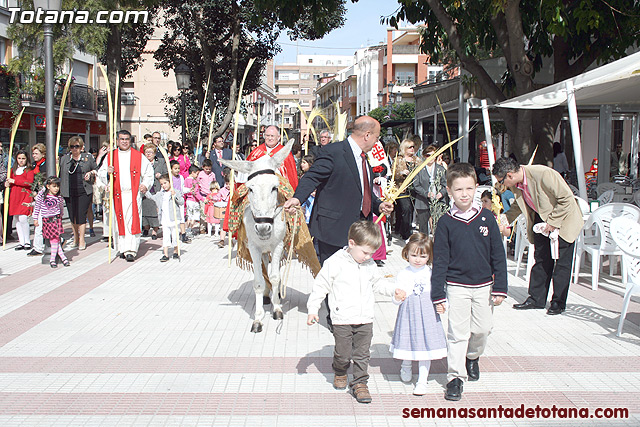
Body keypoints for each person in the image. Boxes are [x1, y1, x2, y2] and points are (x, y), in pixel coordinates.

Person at [431, 162, 508, 401]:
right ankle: (455, 377)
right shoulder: (445, 222)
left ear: (476, 187)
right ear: (449, 190)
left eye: (469, 188)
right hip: (456, 286)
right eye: (458, 189)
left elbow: (498, 255)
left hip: (484, 286)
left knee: (483, 330)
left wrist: (501, 287)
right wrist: (438, 294)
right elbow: (440, 260)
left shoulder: (487, 218)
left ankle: (472, 357)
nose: (464, 194)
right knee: (457, 333)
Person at [306, 220, 402, 404]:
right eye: (365, 252)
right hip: (342, 318)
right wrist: (313, 309)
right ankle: (340, 370)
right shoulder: (335, 262)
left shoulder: (369, 264)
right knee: (343, 354)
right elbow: (320, 286)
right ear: (352, 243)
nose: (368, 257)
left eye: (371, 254)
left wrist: (393, 290)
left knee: (362, 353)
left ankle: (360, 383)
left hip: (365, 317)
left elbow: (378, 283)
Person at [284, 116, 394, 265]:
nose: (377, 142)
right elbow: (312, 177)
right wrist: (297, 199)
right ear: (367, 135)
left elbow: (362, 190)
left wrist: (378, 205)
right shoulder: (333, 152)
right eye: (377, 137)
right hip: (334, 230)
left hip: (359, 231)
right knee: (333, 280)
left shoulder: (364, 158)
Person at [492, 157, 583, 315]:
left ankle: (558, 303)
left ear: (510, 175)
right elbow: (518, 205)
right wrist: (504, 220)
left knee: (562, 263)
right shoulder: (516, 185)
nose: (502, 185)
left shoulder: (543, 174)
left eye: (501, 181)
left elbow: (566, 200)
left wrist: (553, 222)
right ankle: (536, 299)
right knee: (541, 259)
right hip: (541, 220)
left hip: (564, 220)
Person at [391, 233, 446, 395]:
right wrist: (396, 298)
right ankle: (406, 365)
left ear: (429, 256)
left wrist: (443, 304)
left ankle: (423, 379)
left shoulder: (432, 273)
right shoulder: (403, 273)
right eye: (413, 255)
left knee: (426, 344)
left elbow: (440, 292)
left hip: (428, 312)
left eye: (422, 256)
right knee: (407, 339)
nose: (417, 259)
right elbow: (397, 295)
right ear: (406, 253)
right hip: (408, 312)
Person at [98, 130, 154, 262]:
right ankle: (122, 248)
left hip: (133, 195)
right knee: (119, 222)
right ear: (117, 140)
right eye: (122, 139)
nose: (124, 141)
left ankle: (131, 250)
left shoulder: (138, 156)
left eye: (127, 139)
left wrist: (145, 184)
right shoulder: (111, 156)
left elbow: (148, 173)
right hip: (117, 195)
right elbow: (101, 173)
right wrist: (108, 173)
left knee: (132, 222)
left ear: (131, 140)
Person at [59, 136, 98, 251]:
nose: (75, 149)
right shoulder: (65, 159)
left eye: (77, 146)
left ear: (81, 147)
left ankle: (82, 239)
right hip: (69, 191)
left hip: (84, 191)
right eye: (72, 146)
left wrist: (91, 173)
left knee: (81, 215)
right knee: (72, 215)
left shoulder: (87, 158)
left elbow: (96, 169)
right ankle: (75, 237)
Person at [33, 176, 69, 268]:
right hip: (46, 220)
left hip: (55, 219)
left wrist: (61, 215)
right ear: (48, 186)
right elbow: (37, 207)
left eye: (57, 186)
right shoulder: (42, 196)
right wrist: (35, 218)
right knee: (54, 240)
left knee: (55, 240)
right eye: (54, 186)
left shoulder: (59, 197)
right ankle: (61, 256)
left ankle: (53, 259)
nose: (56, 188)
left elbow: (61, 207)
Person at [247, 125, 299, 190]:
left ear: (279, 137)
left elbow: (291, 175)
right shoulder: (256, 152)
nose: (270, 138)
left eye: (272, 136)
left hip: (279, 190)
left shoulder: (285, 152)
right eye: (267, 135)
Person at [414, 144, 448, 235]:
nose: (430, 157)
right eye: (428, 155)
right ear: (424, 156)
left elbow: (445, 185)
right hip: (423, 201)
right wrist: (426, 194)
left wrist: (441, 193)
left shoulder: (440, 169)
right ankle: (424, 247)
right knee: (423, 228)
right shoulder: (419, 169)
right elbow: (416, 185)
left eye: (433, 155)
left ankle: (436, 246)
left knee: (437, 227)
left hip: (438, 201)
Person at [149, 174, 184, 262]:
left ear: (170, 182)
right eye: (161, 184)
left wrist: (175, 195)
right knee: (166, 237)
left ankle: (176, 251)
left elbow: (181, 202)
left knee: (175, 236)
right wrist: (145, 191)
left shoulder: (175, 191)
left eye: (165, 183)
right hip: (165, 219)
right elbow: (152, 197)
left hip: (174, 219)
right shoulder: (161, 194)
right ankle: (166, 254)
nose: (163, 185)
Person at [5, 150, 35, 250]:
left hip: (25, 195)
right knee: (17, 219)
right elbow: (8, 181)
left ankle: (27, 241)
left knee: (23, 218)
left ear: (26, 159)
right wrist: (7, 183)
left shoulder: (29, 169)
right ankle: (21, 241)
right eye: (19, 158)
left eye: (23, 158)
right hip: (14, 195)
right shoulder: (12, 170)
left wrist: (15, 181)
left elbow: (29, 182)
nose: (21, 161)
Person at [393, 139, 418, 240]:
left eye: (413, 147)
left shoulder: (417, 160)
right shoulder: (399, 160)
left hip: (414, 189)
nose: (412, 149)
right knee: (406, 209)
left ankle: (402, 228)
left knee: (410, 210)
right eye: (409, 147)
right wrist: (401, 173)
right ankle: (406, 233)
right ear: (404, 148)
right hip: (401, 189)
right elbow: (393, 174)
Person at [28, 143, 47, 256]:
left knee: (42, 222)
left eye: (36, 153)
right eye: (33, 153)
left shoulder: (46, 165)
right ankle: (38, 246)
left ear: (42, 154)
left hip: (45, 196)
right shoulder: (35, 165)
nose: (34, 155)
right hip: (37, 195)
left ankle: (39, 247)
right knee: (39, 222)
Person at [169, 159, 189, 244]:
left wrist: (189, 190)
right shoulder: (169, 177)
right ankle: (171, 235)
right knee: (172, 217)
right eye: (175, 168)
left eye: (178, 168)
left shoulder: (180, 177)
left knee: (181, 217)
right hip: (171, 200)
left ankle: (183, 234)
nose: (177, 170)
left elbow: (182, 188)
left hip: (179, 199)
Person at [184, 165, 203, 238]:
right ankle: (190, 229)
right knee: (194, 216)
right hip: (194, 201)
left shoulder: (186, 180)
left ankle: (187, 230)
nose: (197, 176)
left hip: (188, 200)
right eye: (197, 174)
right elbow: (196, 192)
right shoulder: (193, 181)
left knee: (189, 216)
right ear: (193, 172)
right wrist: (202, 199)